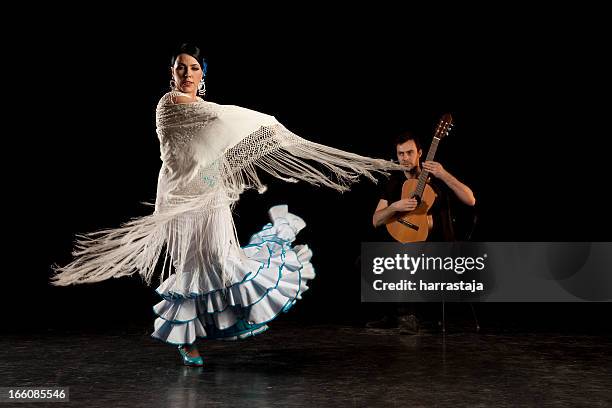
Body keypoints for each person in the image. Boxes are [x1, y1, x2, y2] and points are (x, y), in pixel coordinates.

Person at [52, 43, 402, 367]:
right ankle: (185, 340)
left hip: (207, 191)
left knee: (220, 259)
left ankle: (230, 318)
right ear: (171, 74)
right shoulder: (169, 105)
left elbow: (217, 157)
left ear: (203, 74)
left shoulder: (210, 114)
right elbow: (210, 130)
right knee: (191, 266)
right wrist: (261, 125)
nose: (186, 74)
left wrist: (248, 148)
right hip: (178, 194)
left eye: (192, 68)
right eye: (180, 68)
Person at [368, 131, 476, 334]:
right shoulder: (393, 182)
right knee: (365, 260)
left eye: (409, 152)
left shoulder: (437, 178)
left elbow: (471, 200)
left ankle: (409, 318)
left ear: (420, 153)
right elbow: (376, 220)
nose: (405, 158)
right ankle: (395, 315)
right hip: (409, 242)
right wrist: (395, 207)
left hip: (440, 246)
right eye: (400, 154)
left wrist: (443, 174)